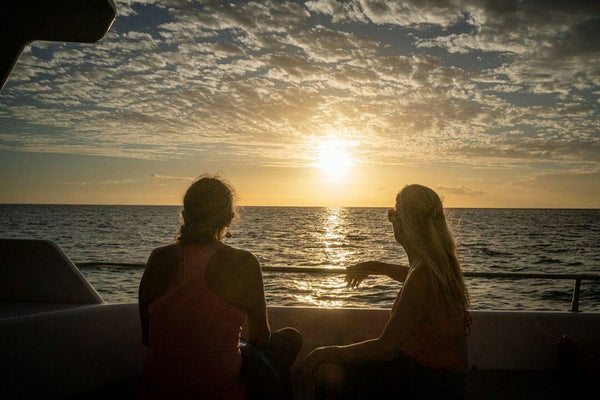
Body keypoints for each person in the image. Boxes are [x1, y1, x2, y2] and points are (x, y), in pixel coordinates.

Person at [296, 184, 471, 399]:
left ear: (405, 223)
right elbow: (412, 278)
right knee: (350, 340)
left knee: (327, 368)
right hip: (443, 379)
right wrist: (377, 266)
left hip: (428, 384)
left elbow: (386, 348)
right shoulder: (438, 266)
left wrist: (320, 353)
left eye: (392, 214)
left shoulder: (423, 276)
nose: (391, 220)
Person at [138, 175, 302, 399]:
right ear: (229, 218)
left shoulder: (158, 258)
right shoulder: (243, 262)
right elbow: (260, 339)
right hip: (219, 388)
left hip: (158, 386)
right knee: (290, 339)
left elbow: (148, 335)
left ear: (185, 216)